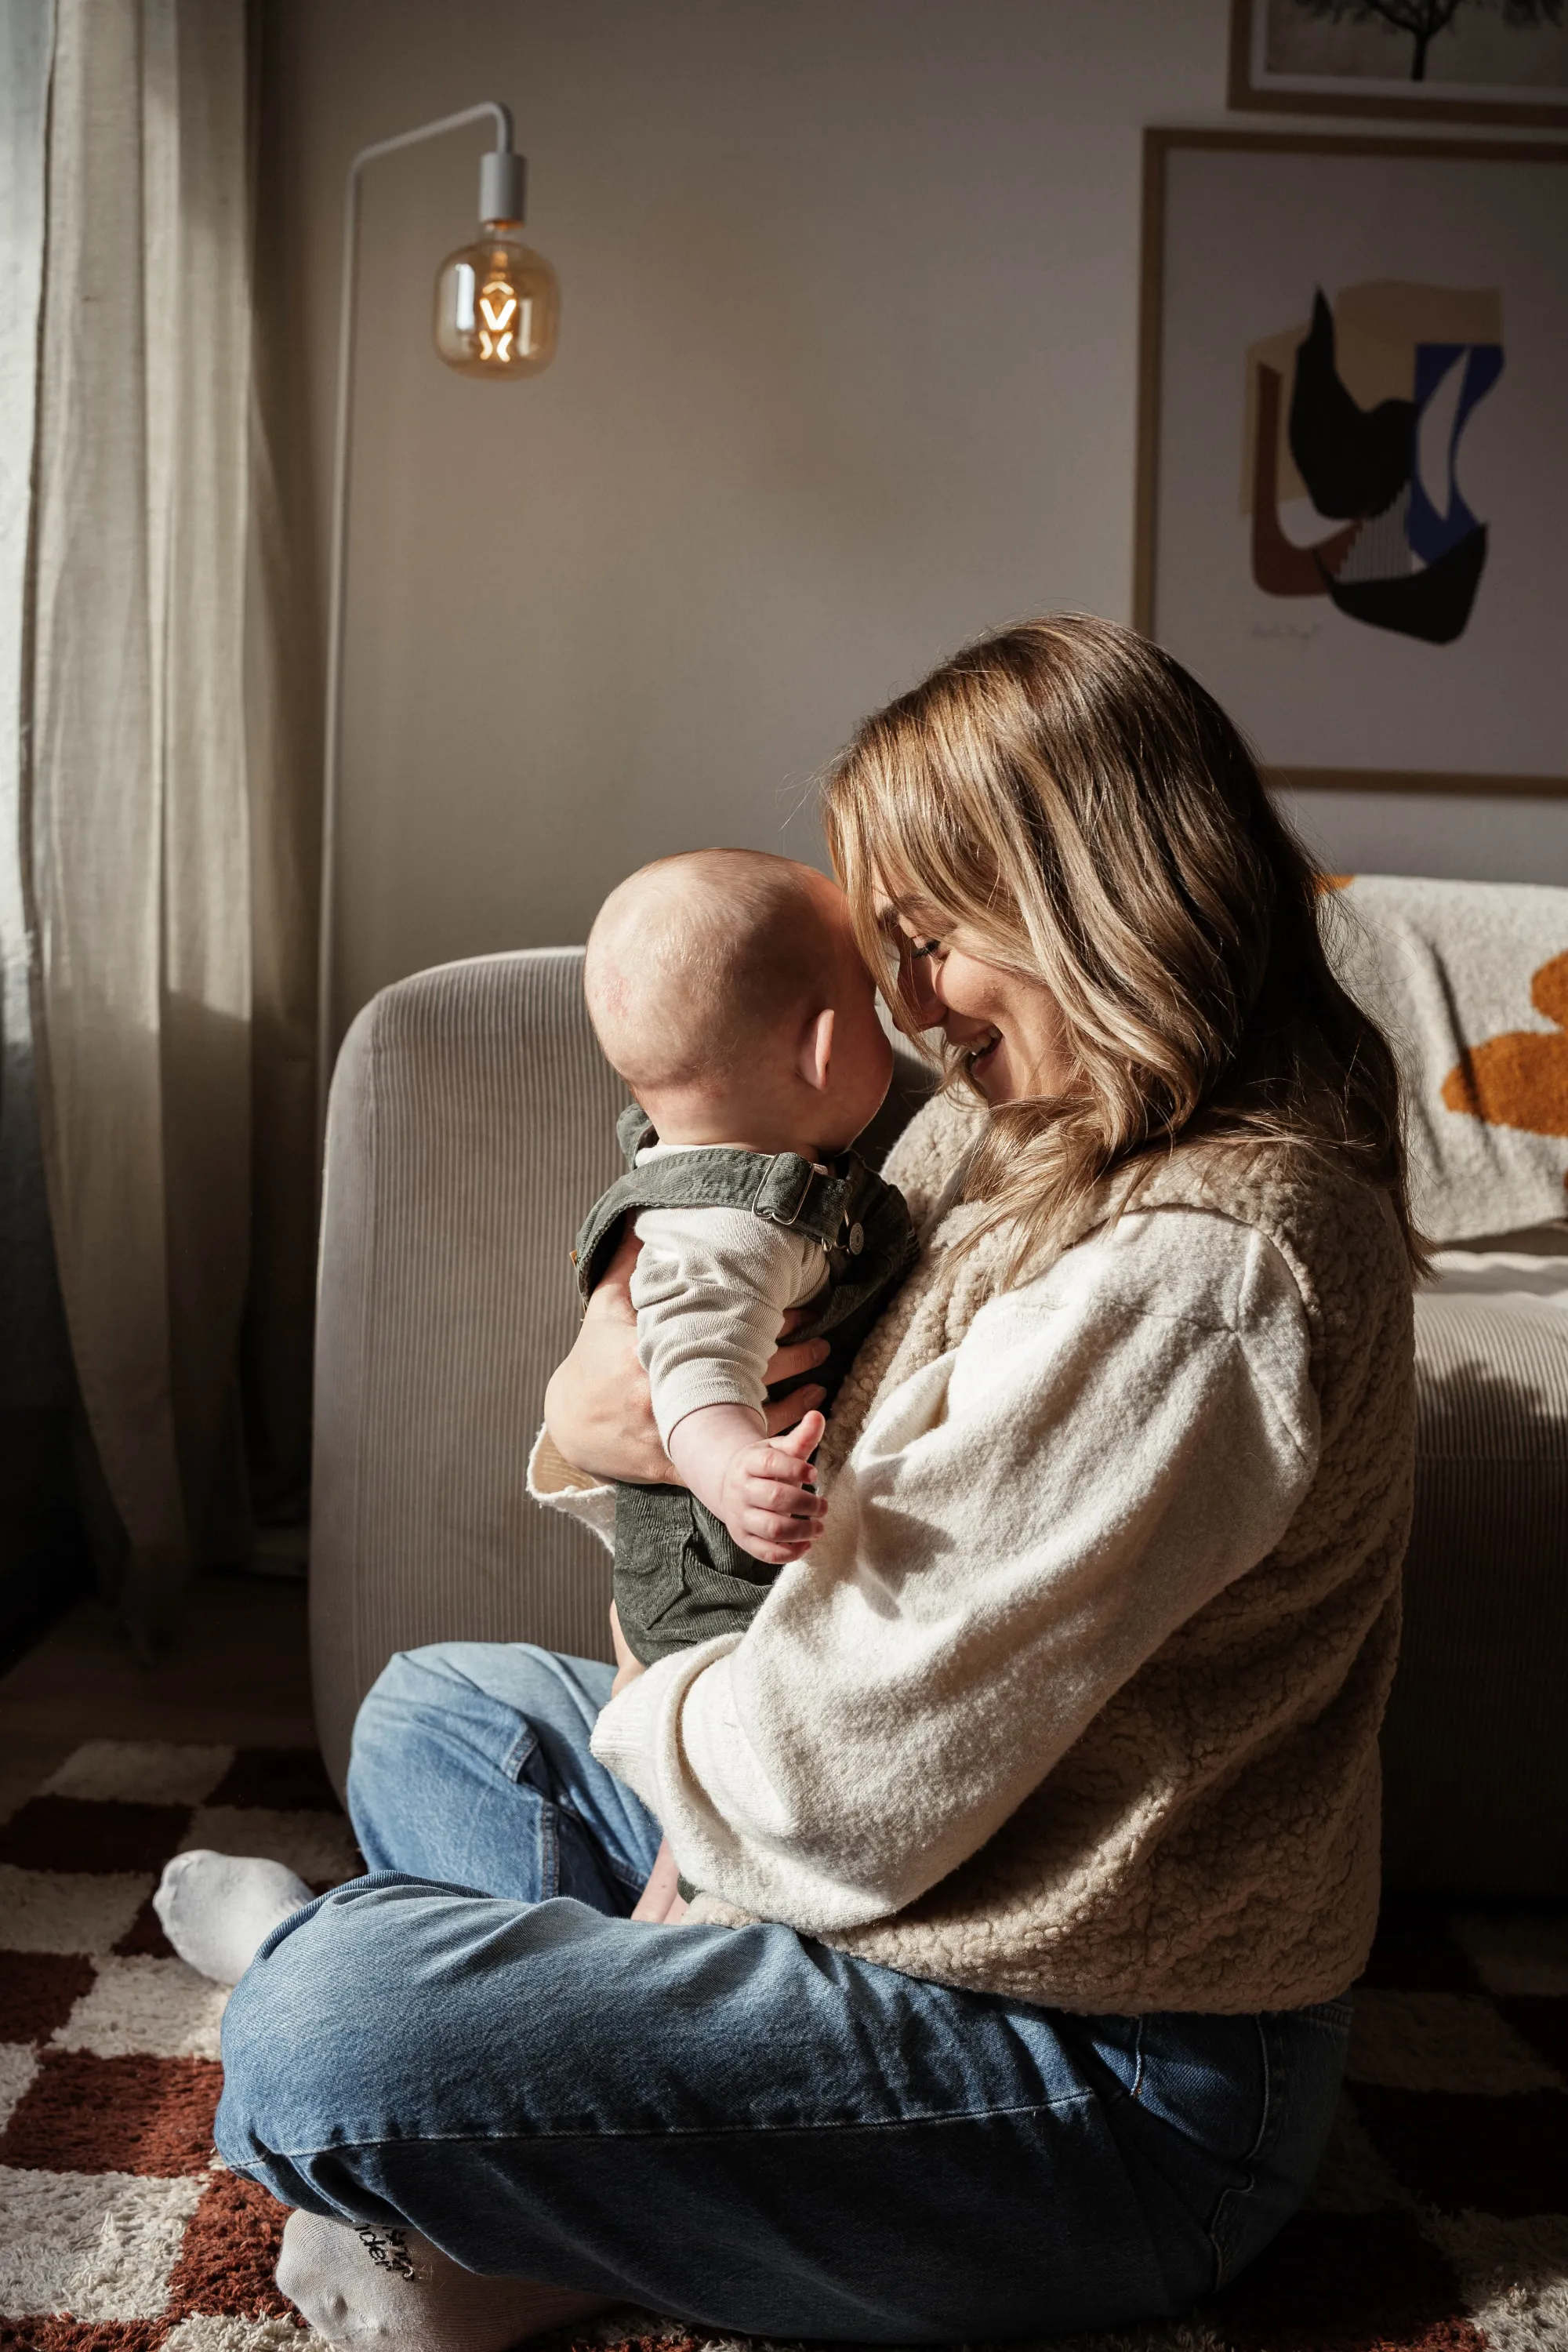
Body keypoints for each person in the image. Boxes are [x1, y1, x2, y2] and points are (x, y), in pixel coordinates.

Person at [166, 615, 1417, 2352]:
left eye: (931, 938)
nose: (904, 1012)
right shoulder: (1030, 1134)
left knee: (331, 2034)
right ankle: (584, 2177)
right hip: (906, 1885)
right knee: (436, 1713)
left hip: (1092, 2067)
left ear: (1087, 892)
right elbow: (681, 1389)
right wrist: (613, 1419)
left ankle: (459, 2100)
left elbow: (836, 1790)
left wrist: (708, 1842)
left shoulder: (1200, 1279)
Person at [573, 847, 917, 1664]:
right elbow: (694, 1374)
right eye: (873, 1001)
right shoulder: (736, 1227)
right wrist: (732, 1472)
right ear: (826, 1047)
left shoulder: (724, 1180)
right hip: (727, 1602)